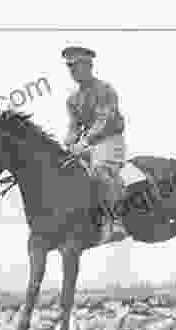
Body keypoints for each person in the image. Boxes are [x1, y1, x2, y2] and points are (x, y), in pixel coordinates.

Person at [62, 46, 127, 244]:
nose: (73, 71)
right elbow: (74, 126)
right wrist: (68, 143)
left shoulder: (105, 90)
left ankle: (116, 221)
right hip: (88, 144)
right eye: (70, 68)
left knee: (99, 170)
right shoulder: (72, 98)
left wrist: (84, 142)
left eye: (77, 66)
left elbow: (103, 120)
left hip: (109, 140)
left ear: (89, 66)